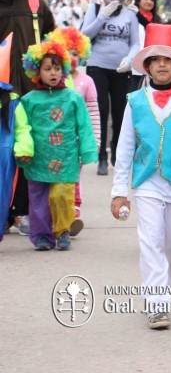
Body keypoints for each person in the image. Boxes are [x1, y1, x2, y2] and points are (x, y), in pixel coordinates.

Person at [110, 24, 171, 329]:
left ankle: (162, 292)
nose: (162, 65)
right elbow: (125, 147)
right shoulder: (134, 101)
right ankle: (157, 304)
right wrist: (119, 191)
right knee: (151, 242)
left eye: (168, 59)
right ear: (147, 66)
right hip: (147, 183)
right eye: (156, 60)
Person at [19, 38, 97, 250]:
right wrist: (23, 150)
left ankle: (62, 231)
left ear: (63, 70)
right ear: (36, 71)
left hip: (66, 158)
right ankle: (41, 236)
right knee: (38, 200)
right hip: (38, 160)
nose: (53, 73)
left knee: (62, 195)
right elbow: (22, 128)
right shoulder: (28, 100)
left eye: (56, 68)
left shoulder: (73, 98)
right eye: (47, 69)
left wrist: (88, 150)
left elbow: (84, 126)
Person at [0, 0, 55, 235]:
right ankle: (3, 211)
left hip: (31, 89)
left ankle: (21, 211)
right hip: (1, 90)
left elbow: (52, 40)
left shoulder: (35, 2)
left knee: (27, 149)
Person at [81, 0, 140, 176]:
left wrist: (130, 59)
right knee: (100, 111)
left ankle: (116, 153)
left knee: (120, 113)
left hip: (121, 70)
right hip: (97, 67)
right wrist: (102, 17)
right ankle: (102, 158)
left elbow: (135, 43)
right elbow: (84, 35)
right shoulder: (95, 10)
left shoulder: (130, 15)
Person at [46, 27, 100, 236]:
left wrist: (95, 140)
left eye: (75, 53)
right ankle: (55, 215)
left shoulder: (86, 81)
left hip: (76, 141)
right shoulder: (51, 81)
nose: (71, 57)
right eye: (66, 52)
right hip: (52, 142)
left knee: (73, 178)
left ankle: (73, 213)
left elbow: (93, 112)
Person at [0, 34, 32, 241]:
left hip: (5, 159)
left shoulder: (13, 103)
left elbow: (22, 128)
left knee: (2, 196)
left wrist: (24, 149)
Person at [130, 0, 162, 91]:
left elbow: (152, 30)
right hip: (133, 66)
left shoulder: (157, 19)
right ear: (139, 0)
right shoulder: (131, 17)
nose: (149, 2)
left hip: (151, 65)